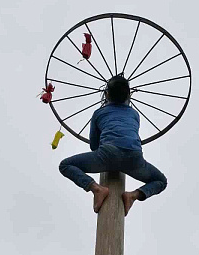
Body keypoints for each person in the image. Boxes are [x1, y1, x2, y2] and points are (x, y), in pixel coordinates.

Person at [59, 75, 167, 216]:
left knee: (65, 165)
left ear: (106, 95)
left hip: (107, 154)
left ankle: (96, 189)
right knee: (161, 181)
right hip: (134, 157)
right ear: (129, 95)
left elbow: (94, 145)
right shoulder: (134, 114)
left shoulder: (99, 113)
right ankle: (133, 195)